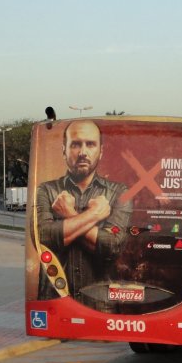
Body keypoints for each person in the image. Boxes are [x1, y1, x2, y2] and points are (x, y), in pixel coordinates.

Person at [35, 120, 132, 302]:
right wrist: (94, 215)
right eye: (76, 144)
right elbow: (43, 237)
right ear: (64, 150)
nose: (83, 152)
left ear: (100, 151)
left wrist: (69, 215)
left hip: (101, 303)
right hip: (55, 298)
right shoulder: (46, 190)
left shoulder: (119, 192)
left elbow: (112, 246)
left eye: (90, 144)